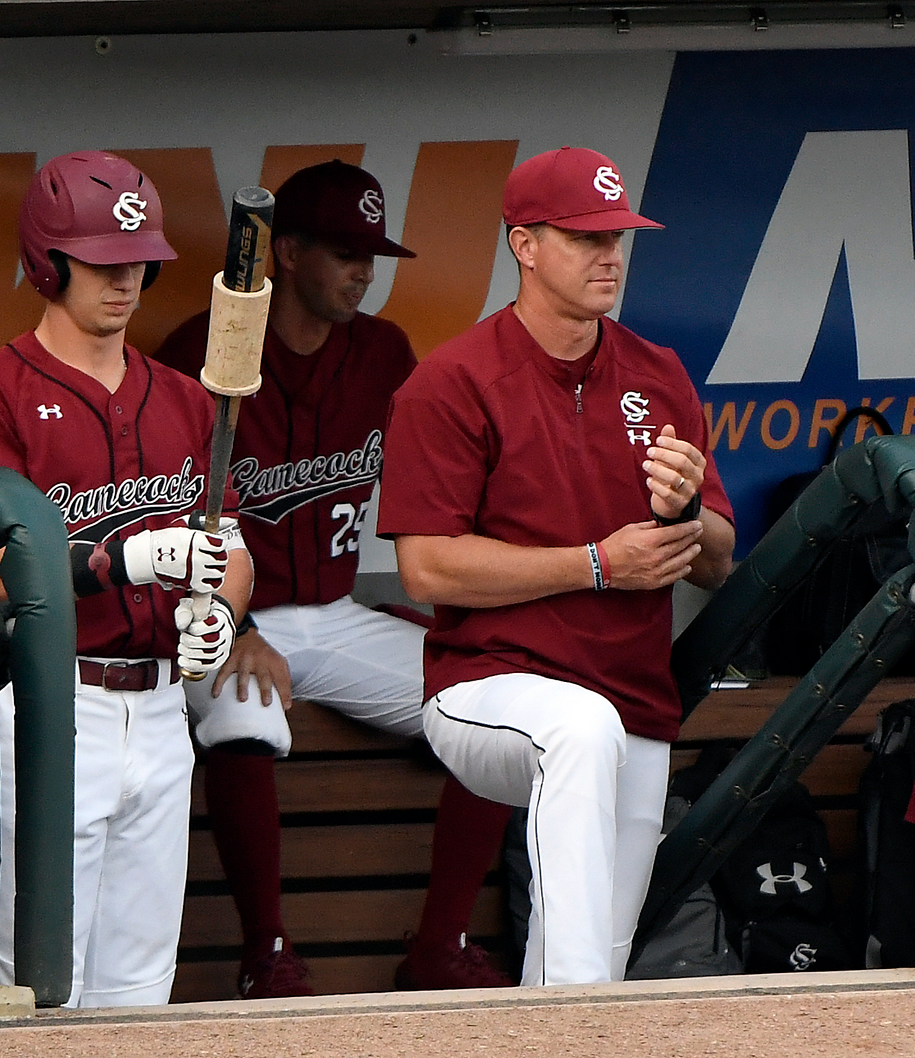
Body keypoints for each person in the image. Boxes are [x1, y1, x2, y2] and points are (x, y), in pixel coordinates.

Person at [376, 146, 736, 985]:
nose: (609, 254)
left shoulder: (658, 372)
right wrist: (596, 565)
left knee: (593, 959)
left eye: (617, 236)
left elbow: (717, 560)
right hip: (488, 686)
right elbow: (426, 569)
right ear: (524, 245)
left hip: (633, 698)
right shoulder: (455, 380)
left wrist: (688, 515)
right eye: (584, 236)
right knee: (580, 729)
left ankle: (563, 1023)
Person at [155, 159, 515, 997]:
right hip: (229, 613)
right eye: (345, 253)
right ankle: (264, 955)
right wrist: (232, 626)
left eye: (372, 255)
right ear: (285, 252)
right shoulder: (201, 351)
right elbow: (154, 512)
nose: (364, 272)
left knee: (498, 700)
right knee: (244, 717)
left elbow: (453, 482)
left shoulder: (385, 352)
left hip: (337, 611)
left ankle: (438, 945)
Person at [0, 151, 251, 1008]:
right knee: (29, 985)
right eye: (102, 262)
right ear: (49, 260)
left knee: (141, 988)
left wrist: (221, 611)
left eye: (138, 261)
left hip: (158, 712)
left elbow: (232, 547)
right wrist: (129, 561)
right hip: (45, 703)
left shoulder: (187, 399)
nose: (126, 280)